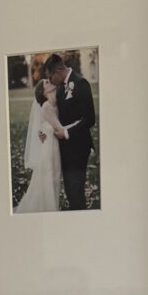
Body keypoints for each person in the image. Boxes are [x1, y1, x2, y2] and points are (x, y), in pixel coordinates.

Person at [42, 54, 95, 210]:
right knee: (71, 193)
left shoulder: (80, 83)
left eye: (50, 76)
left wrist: (66, 133)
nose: (50, 80)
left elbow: (89, 119)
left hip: (78, 148)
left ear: (58, 71)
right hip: (65, 150)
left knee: (76, 192)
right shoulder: (60, 87)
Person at [14, 74, 67, 213]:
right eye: (47, 83)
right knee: (49, 179)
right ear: (44, 92)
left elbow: (43, 126)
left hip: (53, 147)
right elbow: (59, 128)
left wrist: (41, 130)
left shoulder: (53, 104)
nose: (50, 82)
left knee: (53, 179)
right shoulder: (47, 106)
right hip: (49, 150)